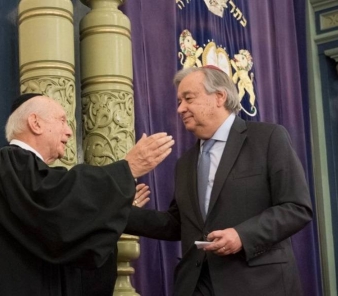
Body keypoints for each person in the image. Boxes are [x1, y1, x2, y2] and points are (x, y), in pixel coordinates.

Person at [0, 93, 175, 296]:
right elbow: (58, 210)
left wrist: (116, 202)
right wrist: (127, 169)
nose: (69, 131)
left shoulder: (30, 176)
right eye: (62, 120)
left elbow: (67, 214)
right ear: (35, 123)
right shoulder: (7, 163)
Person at [124, 66, 312, 296]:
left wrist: (242, 236)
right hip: (197, 285)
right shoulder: (185, 162)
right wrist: (121, 212)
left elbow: (296, 207)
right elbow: (177, 224)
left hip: (258, 284)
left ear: (219, 97)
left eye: (188, 98)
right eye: (179, 101)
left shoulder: (268, 138)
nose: (180, 108)